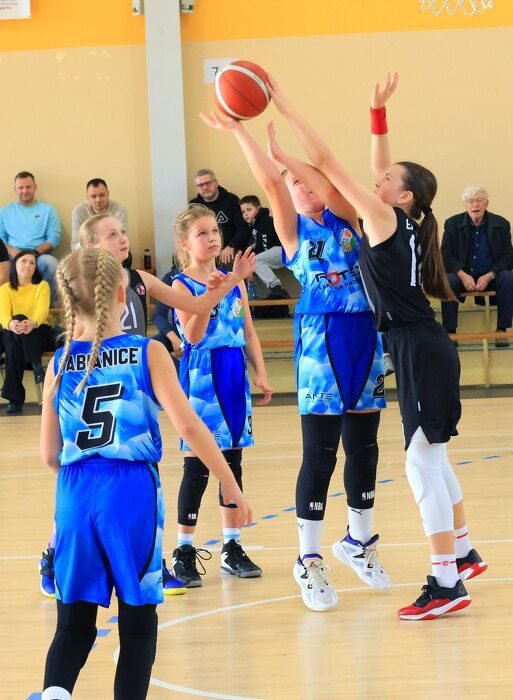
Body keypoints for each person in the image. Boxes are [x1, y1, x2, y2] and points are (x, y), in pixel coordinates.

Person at [268, 70, 487, 620]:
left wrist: (285, 116)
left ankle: (446, 582)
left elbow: (325, 163)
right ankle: (462, 550)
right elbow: (374, 167)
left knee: (420, 465)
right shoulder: (398, 219)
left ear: (401, 194)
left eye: (385, 178)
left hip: (418, 348)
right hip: (422, 345)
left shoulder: (382, 217)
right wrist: (376, 114)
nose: (376, 178)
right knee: (433, 456)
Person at [39, 247, 252, 700]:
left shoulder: (58, 363)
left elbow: (49, 455)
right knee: (137, 627)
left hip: (73, 493)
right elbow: (189, 426)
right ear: (122, 295)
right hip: (128, 492)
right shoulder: (147, 352)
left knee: (73, 626)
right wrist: (229, 482)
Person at [201, 107, 389, 613]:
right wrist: (241, 132)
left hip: (365, 336)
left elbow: (326, 176)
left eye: (304, 179)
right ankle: (307, 559)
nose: (299, 185)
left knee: (365, 447)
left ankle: (360, 542)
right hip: (320, 340)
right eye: (292, 183)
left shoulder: (350, 217)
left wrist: (296, 160)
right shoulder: (293, 232)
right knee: (321, 453)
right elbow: (269, 180)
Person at [170, 204, 273, 587]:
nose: (212, 237)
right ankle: (183, 550)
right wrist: (213, 294)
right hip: (201, 374)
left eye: (214, 230)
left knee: (233, 461)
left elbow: (248, 332)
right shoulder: (181, 285)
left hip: (233, 373)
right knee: (197, 467)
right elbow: (192, 337)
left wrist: (260, 371)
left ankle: (232, 546)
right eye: (202, 233)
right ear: (185, 243)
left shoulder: (235, 280)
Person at [441, 187, 513, 347]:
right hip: (462, 277)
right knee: (449, 280)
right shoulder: (452, 224)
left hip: (491, 277)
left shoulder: (501, 224)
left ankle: (502, 330)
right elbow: (445, 255)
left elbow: (508, 256)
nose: (475, 204)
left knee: (508, 277)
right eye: (470, 201)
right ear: (465, 205)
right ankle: (450, 332)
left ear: (486, 203)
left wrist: (490, 275)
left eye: (479, 200)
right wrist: (462, 274)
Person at [0, 250, 54, 414]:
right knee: (14, 336)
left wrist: (32, 323)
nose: (28, 265)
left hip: (38, 331)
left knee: (13, 343)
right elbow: (3, 314)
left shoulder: (42, 286)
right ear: (15, 265)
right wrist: (11, 324)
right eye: (23, 261)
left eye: (32, 263)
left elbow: (42, 312)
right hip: (12, 331)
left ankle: (14, 400)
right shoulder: (5, 289)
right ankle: (35, 364)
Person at [0, 171, 61, 304]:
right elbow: (1, 238)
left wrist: (33, 253)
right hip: (11, 256)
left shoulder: (48, 211)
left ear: (35, 187)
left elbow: (54, 238)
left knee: (52, 264)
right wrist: (13, 251)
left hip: (39, 255)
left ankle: (50, 308)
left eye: (28, 187)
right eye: (20, 188)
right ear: (15, 189)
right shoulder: (5, 211)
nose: (24, 191)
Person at [190, 168, 250, 267]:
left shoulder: (231, 200)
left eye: (208, 183)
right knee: (181, 261)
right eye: (200, 185)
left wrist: (231, 246)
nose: (205, 187)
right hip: (204, 250)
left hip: (228, 248)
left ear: (216, 183)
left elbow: (243, 228)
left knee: (230, 263)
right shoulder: (194, 206)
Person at [240, 194, 287, 297]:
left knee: (256, 260)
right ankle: (256, 298)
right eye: (243, 212)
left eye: (249, 210)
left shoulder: (267, 221)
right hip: (274, 252)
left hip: (284, 250)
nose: (246, 214)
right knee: (254, 261)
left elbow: (263, 247)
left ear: (258, 208)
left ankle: (277, 287)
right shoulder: (252, 227)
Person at [71, 178, 129, 251]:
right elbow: (76, 244)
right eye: (93, 196)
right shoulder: (79, 211)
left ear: (108, 194)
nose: (98, 200)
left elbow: (122, 239)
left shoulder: (120, 210)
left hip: (114, 252)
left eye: (101, 195)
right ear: (87, 197)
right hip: (87, 252)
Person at [150, 255, 183, 372]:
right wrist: (174, 339)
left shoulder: (213, 276)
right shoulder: (170, 278)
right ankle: (179, 374)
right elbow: (159, 315)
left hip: (207, 333)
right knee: (150, 347)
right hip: (179, 332)